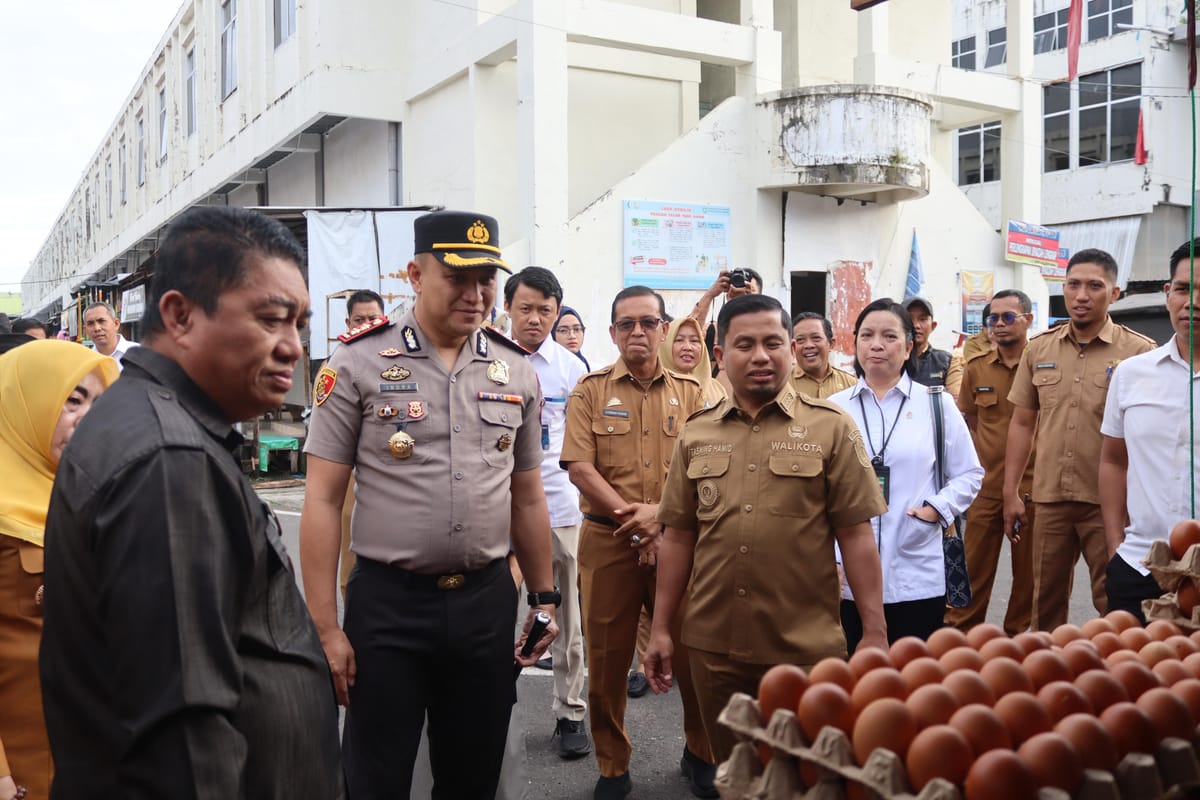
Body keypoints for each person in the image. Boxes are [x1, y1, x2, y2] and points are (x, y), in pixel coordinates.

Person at [39, 206, 343, 798]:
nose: (293, 349)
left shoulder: (153, 424)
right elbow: (180, 732)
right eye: (271, 320)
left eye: (299, 327)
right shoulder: (168, 458)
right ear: (179, 315)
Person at [300, 210, 558, 799]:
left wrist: (544, 598)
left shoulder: (513, 367)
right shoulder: (357, 362)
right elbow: (320, 499)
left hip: (484, 604)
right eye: (458, 278)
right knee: (375, 776)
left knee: (472, 775)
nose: (476, 295)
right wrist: (325, 626)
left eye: (487, 279)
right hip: (388, 606)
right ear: (415, 275)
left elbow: (527, 495)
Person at [645, 294, 888, 763]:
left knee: (804, 779)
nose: (760, 356)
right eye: (745, 344)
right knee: (735, 776)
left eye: (773, 342)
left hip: (806, 650)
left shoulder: (832, 427)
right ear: (720, 356)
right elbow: (677, 537)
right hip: (715, 651)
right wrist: (660, 630)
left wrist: (875, 632)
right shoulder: (697, 433)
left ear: (791, 349)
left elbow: (856, 535)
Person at [562, 286, 716, 800]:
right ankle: (612, 764)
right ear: (612, 333)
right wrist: (637, 521)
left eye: (648, 323)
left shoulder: (693, 394)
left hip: (678, 541)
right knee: (606, 660)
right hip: (609, 543)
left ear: (664, 329)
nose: (638, 333)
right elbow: (581, 468)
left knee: (696, 654)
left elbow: (707, 466)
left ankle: (701, 752)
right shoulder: (589, 390)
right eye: (626, 324)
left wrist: (662, 519)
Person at [1004, 248, 1155, 630]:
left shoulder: (1139, 354)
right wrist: (1010, 494)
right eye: (1073, 285)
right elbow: (1022, 423)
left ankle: (1117, 679)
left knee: (1117, 606)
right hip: (1050, 499)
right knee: (1045, 606)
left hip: (1111, 505)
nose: (1082, 295)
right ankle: (1050, 682)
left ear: (1115, 293)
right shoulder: (1039, 349)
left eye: (1094, 286)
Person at [829, 298, 982, 650]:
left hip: (915, 567)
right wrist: (830, 557)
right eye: (866, 335)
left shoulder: (935, 404)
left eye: (889, 336)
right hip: (844, 573)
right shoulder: (835, 410)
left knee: (912, 679)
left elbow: (970, 474)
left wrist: (935, 510)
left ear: (910, 345)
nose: (877, 345)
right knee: (852, 678)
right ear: (855, 343)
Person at [0, 341, 117, 800]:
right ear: (23, 406)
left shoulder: (101, 499)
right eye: (72, 400)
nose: (89, 418)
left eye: (98, 403)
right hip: (27, 769)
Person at [502, 266, 592, 760]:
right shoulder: (486, 357)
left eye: (545, 310)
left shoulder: (573, 368)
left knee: (566, 620)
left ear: (557, 313)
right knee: (492, 615)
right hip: (495, 512)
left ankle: (570, 713)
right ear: (509, 308)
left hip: (560, 508)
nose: (535, 318)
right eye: (526, 308)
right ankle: (490, 709)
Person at [1100, 239, 1200, 622]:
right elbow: (1113, 460)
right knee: (1132, 675)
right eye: (1183, 288)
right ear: (1167, 294)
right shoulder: (1132, 374)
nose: (1192, 301)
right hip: (1140, 565)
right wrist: (1115, 544)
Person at [944, 290, 1037, 634]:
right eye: (993, 318)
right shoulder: (976, 369)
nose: (999, 324)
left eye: (1008, 317)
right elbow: (968, 419)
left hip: (1032, 486)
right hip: (985, 487)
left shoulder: (1040, 364)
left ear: (1028, 320)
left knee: (1028, 576)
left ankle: (1016, 641)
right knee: (971, 570)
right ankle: (958, 637)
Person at [332, 289, 388, 599]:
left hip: (394, 476)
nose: (367, 324)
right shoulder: (338, 364)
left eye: (374, 318)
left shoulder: (403, 360)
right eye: (359, 320)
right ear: (347, 322)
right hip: (351, 473)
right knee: (352, 562)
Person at [902, 296, 963, 397]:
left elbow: (957, 400)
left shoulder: (947, 362)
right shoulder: (889, 360)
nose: (916, 325)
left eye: (922, 319)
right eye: (909, 319)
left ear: (933, 326)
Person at [660, 316, 725, 409]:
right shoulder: (653, 390)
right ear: (666, 345)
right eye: (679, 340)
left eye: (694, 340)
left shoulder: (716, 389)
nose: (688, 347)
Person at [789, 312, 857, 399]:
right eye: (800, 340)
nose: (809, 345)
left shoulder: (851, 386)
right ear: (793, 347)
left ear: (831, 344)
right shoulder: (781, 384)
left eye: (816, 338)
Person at [82, 302, 138, 369]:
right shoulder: (85, 363)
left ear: (116, 324)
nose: (97, 328)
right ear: (85, 330)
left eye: (101, 321)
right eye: (90, 323)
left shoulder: (139, 353)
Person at [555, 306, 590, 371]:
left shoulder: (594, 369)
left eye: (577, 329)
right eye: (563, 330)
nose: (572, 336)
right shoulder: (543, 368)